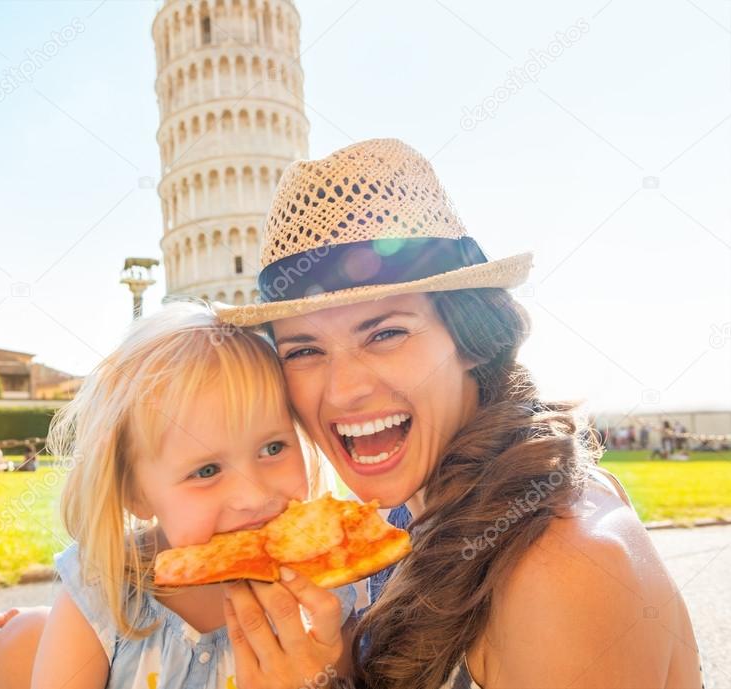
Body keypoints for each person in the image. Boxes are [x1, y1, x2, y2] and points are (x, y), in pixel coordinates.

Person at [211, 139, 701, 688]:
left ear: (471, 338)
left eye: (386, 333)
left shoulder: (559, 571)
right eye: (303, 350)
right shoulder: (417, 515)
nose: (343, 390)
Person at [0, 302, 355, 689]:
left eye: (273, 448)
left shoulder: (329, 599)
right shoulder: (101, 594)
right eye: (206, 471)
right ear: (137, 494)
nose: (253, 495)